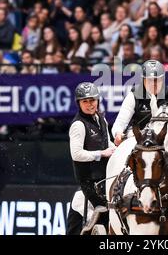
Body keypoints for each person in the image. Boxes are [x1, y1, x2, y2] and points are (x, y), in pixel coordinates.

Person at [66, 83, 115, 235]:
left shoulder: (101, 119)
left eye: (92, 100)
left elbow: (108, 144)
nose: (89, 104)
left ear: (98, 101)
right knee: (107, 216)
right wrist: (101, 153)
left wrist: (120, 148)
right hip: (89, 182)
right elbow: (76, 154)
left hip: (106, 179)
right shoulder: (78, 125)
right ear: (79, 103)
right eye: (85, 101)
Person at [111, 60, 168, 146]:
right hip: (140, 139)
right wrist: (118, 134)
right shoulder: (133, 96)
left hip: (166, 139)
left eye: (157, 80)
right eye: (149, 80)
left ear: (162, 79)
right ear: (143, 79)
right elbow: (121, 121)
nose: (153, 84)